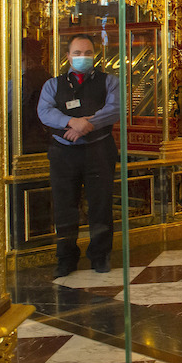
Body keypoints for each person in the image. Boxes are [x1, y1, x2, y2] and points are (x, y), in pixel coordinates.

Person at [37, 34, 119, 278]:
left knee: (100, 205)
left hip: (99, 150)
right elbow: (44, 111)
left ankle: (100, 256)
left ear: (95, 55)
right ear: (68, 56)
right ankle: (66, 258)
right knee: (64, 207)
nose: (83, 57)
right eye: (77, 53)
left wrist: (85, 125)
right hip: (63, 153)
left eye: (87, 53)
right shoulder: (53, 84)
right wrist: (70, 121)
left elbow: (114, 109)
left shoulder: (109, 81)